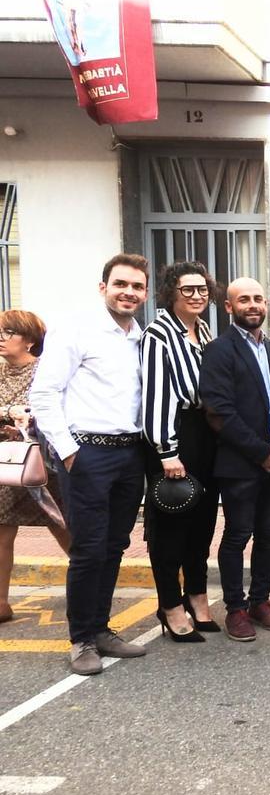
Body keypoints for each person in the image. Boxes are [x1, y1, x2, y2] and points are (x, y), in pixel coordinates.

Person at [29, 254, 151, 675]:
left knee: (115, 545)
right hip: (87, 454)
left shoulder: (140, 338)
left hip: (129, 454)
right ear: (104, 288)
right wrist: (67, 450)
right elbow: (44, 394)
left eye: (137, 287)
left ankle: (101, 629)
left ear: (145, 293)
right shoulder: (76, 329)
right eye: (121, 284)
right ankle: (81, 639)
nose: (129, 292)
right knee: (88, 548)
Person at [199, 277, 270, 644]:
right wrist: (261, 453)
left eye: (258, 298)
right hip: (242, 464)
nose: (253, 305)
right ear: (229, 307)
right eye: (244, 300)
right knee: (238, 535)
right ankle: (236, 608)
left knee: (268, 534)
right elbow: (219, 412)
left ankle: (261, 600)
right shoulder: (218, 351)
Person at [140, 261, 221, 643]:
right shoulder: (159, 334)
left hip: (206, 434)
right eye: (188, 289)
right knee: (171, 527)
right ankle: (170, 605)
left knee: (202, 525)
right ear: (171, 291)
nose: (196, 296)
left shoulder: (203, 331)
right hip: (175, 435)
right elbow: (156, 397)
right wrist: (166, 451)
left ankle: (198, 597)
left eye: (202, 289)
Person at [0, 310, 71, 624]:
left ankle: (93, 585)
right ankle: (1, 603)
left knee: (62, 525)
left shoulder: (44, 370)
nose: (2, 339)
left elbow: (55, 404)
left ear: (29, 341)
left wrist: (29, 416)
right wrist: (8, 410)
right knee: (2, 532)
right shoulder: (1, 373)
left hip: (41, 462)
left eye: (9, 332)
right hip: (6, 464)